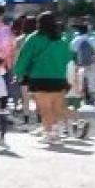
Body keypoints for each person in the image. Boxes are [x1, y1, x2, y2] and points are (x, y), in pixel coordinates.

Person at [14, 11, 85, 142]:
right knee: (57, 108)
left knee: (45, 108)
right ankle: (76, 122)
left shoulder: (34, 38)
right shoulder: (61, 39)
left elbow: (24, 57)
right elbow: (68, 58)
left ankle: (49, 133)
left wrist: (19, 72)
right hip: (59, 78)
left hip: (40, 77)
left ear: (39, 23)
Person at [70, 19, 95, 105]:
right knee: (92, 79)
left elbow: (72, 50)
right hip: (91, 63)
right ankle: (92, 96)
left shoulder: (75, 40)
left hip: (79, 64)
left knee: (80, 80)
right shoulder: (91, 39)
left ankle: (80, 96)